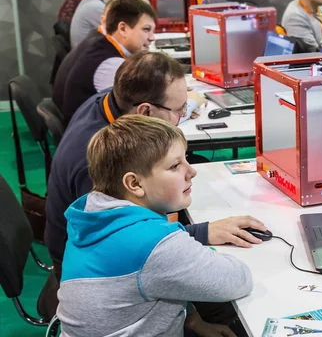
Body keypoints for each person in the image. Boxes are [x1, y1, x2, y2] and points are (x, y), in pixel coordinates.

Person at [39, 52, 268, 320]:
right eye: (178, 110)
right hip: (82, 273)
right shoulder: (90, 166)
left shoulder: (105, 110)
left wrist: (194, 234)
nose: (191, 171)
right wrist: (193, 237)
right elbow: (236, 279)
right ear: (145, 111)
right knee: (230, 315)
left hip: (98, 274)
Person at [56, 115, 253, 336]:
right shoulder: (153, 246)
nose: (192, 171)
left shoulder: (94, 214)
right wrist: (198, 252)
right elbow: (237, 280)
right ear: (135, 183)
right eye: (176, 165)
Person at [62, 0, 157, 125]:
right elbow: (142, 116)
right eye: (146, 29)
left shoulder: (102, 45)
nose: (152, 38)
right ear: (123, 29)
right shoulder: (110, 64)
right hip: (91, 138)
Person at [52, 0, 117, 115]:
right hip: (81, 120)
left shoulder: (94, 39)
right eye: (145, 29)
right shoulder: (105, 56)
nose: (151, 37)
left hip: (73, 115)